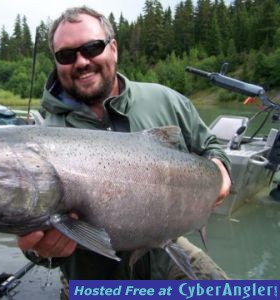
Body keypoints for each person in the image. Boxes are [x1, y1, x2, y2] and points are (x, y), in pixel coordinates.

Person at [18, 5, 232, 297]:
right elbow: (38, 247)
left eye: (92, 48)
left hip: (167, 252)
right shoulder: (43, 140)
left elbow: (211, 147)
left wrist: (220, 168)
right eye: (66, 55)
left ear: (114, 48)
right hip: (93, 279)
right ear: (57, 62)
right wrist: (39, 251)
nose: (81, 62)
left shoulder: (167, 101)